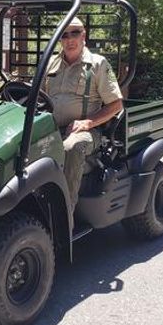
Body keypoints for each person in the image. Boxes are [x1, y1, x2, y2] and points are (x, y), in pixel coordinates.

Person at [42, 17, 123, 222]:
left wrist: (88, 122)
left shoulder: (97, 64)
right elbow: (39, 97)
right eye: (64, 34)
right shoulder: (51, 63)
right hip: (52, 128)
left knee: (71, 148)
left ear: (84, 35)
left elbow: (116, 105)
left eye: (75, 33)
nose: (70, 39)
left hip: (87, 131)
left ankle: (64, 218)